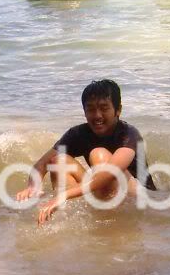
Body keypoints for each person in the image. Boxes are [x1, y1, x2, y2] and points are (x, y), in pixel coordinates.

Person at [16, 79, 157, 225]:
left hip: (139, 197)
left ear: (118, 110)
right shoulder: (78, 134)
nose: (97, 115)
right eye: (90, 109)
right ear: (84, 112)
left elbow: (109, 173)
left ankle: (109, 221)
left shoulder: (129, 134)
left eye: (104, 108)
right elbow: (42, 164)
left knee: (99, 154)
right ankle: (70, 217)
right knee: (58, 161)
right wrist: (33, 187)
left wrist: (66, 194)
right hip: (104, 189)